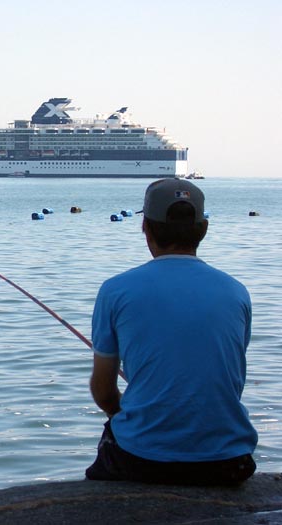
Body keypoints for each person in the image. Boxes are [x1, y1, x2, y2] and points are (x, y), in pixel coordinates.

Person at [86, 178, 258, 485]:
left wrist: (124, 412)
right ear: (203, 229)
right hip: (229, 461)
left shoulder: (115, 291)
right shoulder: (236, 292)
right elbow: (228, 379)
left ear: (146, 229)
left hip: (143, 460)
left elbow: (103, 391)